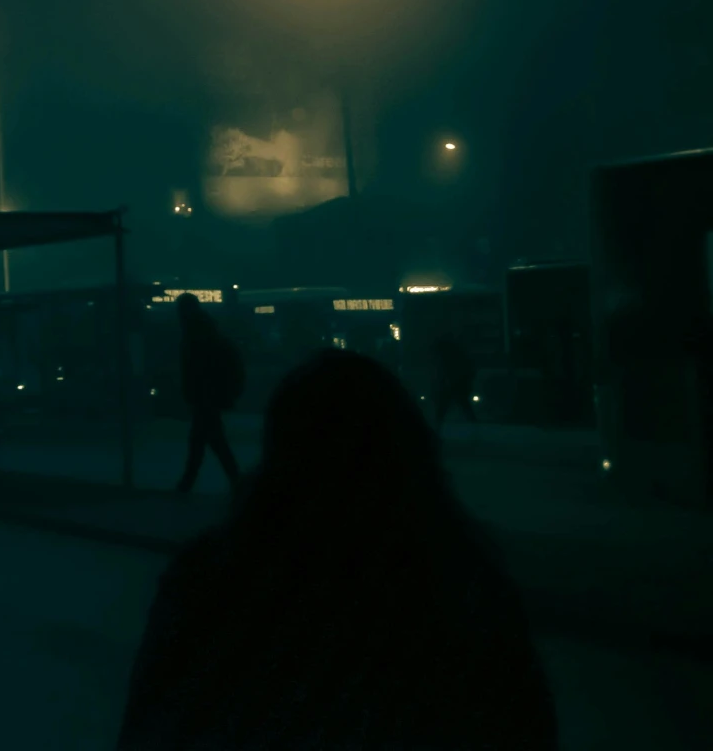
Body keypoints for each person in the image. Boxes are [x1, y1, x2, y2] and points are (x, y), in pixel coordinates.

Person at [117, 349, 557, 750]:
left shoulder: (211, 582)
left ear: (279, 461)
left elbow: (151, 724)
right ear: (410, 456)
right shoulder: (465, 591)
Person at [173, 293, 242, 494]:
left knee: (207, 442)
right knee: (209, 441)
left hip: (205, 396)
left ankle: (188, 483)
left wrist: (192, 392)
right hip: (210, 395)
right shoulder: (205, 329)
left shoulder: (194, 333)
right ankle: (189, 482)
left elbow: (196, 368)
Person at [433, 333, 478, 429]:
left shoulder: (447, 358)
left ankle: (438, 423)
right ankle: (474, 424)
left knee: (446, 405)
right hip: (457, 384)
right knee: (462, 404)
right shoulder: (457, 356)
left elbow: (444, 372)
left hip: (453, 384)